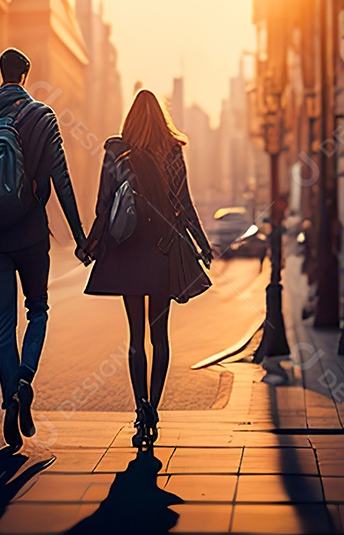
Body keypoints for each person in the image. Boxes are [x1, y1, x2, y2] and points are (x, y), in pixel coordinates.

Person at [0, 48, 91, 450]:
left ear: (0, 74)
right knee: (38, 311)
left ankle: (8, 400)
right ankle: (24, 381)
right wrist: (80, 237)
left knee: (3, 325)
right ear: (26, 74)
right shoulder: (43, 117)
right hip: (32, 235)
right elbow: (62, 179)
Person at [84, 89, 214, 448]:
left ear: (130, 118)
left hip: (129, 251)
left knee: (135, 337)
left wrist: (90, 243)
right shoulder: (173, 151)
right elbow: (184, 204)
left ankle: (140, 410)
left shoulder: (116, 150)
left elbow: (104, 206)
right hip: (163, 249)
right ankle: (154, 409)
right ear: (161, 118)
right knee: (161, 336)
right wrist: (201, 243)